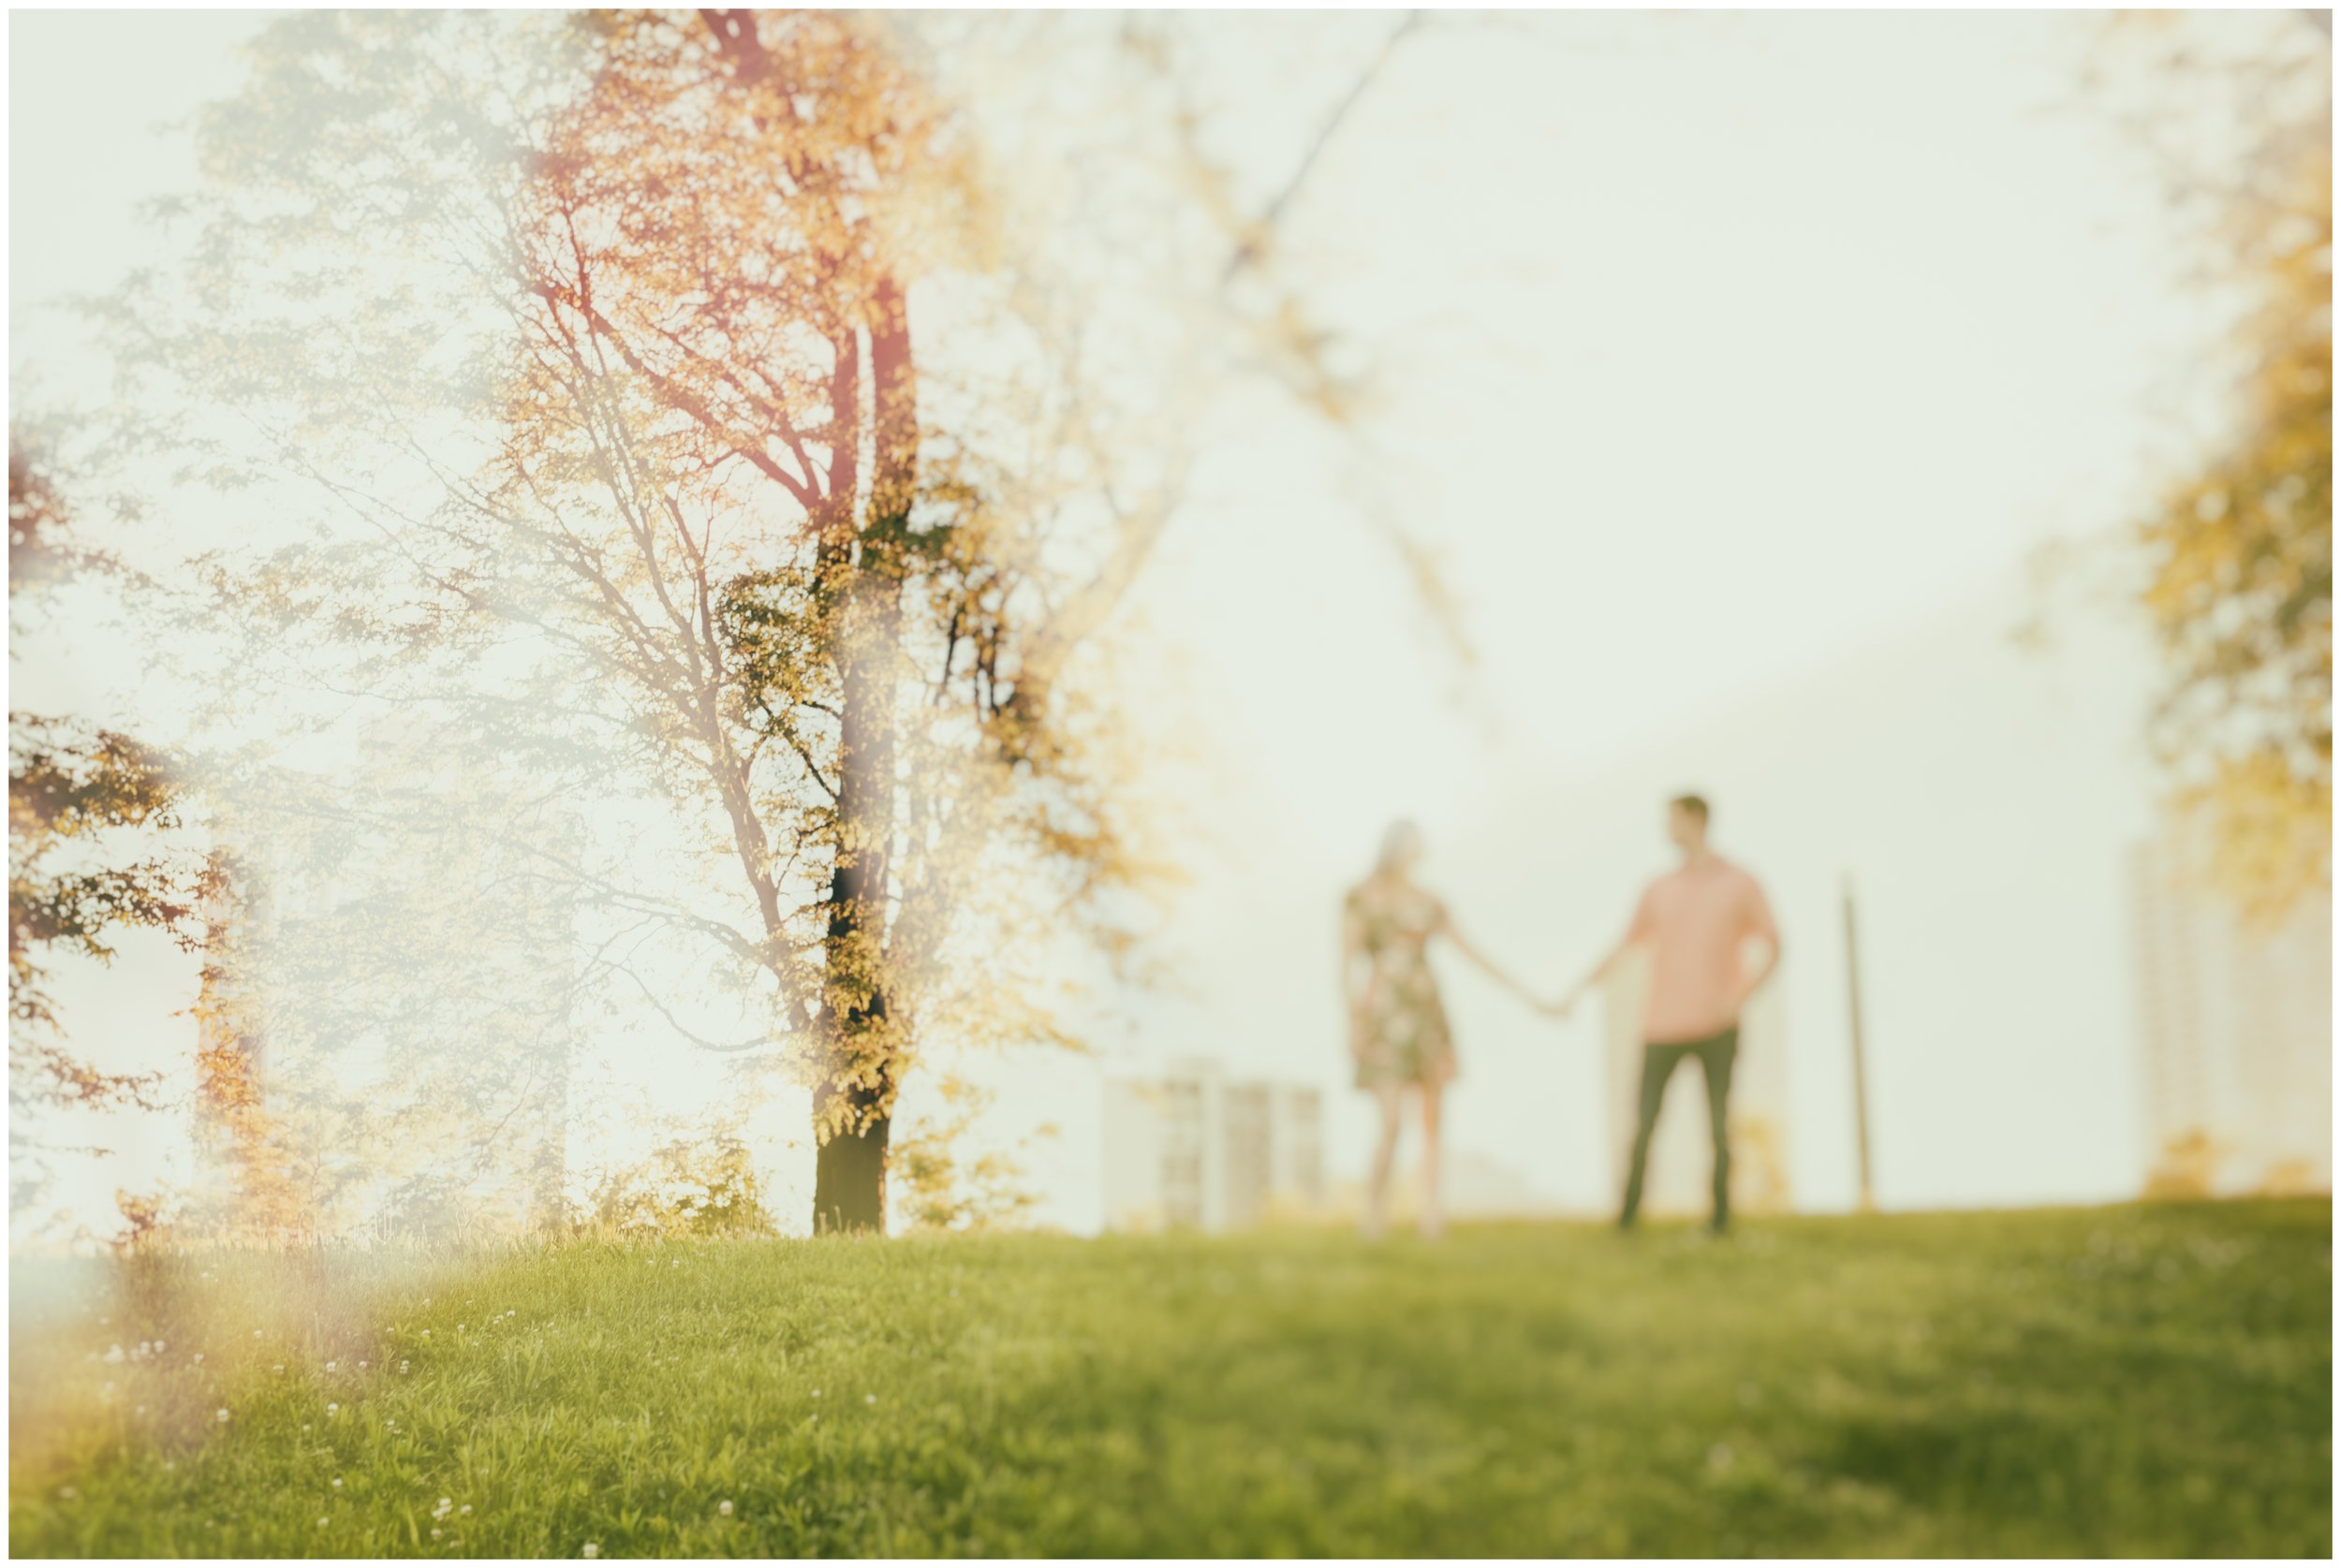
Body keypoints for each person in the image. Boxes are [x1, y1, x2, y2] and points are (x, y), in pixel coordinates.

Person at [1553, 793, 1779, 1235]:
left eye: (1673, 820)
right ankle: (1628, 1218)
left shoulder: (1740, 882)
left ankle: (1719, 1220)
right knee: (1644, 1123)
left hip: (1718, 1024)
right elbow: (1624, 945)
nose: (1667, 829)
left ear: (1697, 820)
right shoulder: (1659, 888)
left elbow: (1775, 944)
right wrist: (1577, 990)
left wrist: (1740, 998)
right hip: (1661, 1025)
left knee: (1717, 1124)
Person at [1342, 819, 1539, 1240]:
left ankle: (1431, 1216)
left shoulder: (1430, 901)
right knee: (1391, 1122)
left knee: (1433, 1122)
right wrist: (1353, 1023)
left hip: (1426, 1013)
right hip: (1384, 1016)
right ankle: (1373, 1215)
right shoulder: (1361, 898)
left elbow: (1472, 952)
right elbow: (1344, 965)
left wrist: (1527, 994)